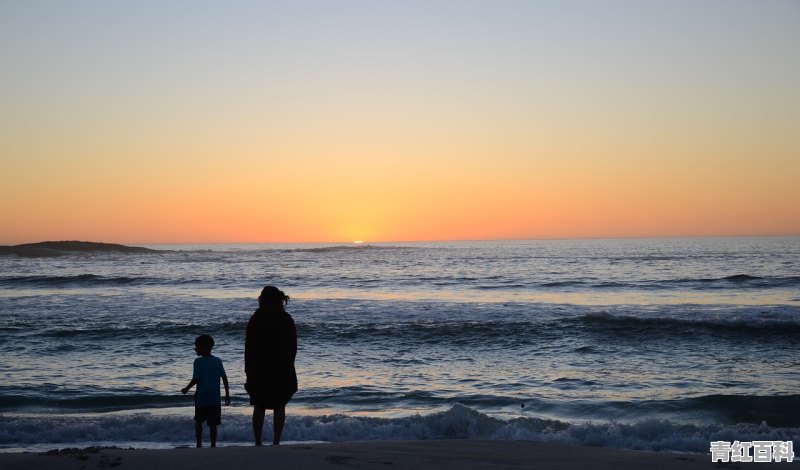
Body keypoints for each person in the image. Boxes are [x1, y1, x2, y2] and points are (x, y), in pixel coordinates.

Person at [245, 285, 297, 446]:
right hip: (282, 366)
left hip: (259, 367)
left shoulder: (257, 317)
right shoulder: (285, 318)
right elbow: (293, 345)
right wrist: (289, 363)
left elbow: (249, 345)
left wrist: (248, 368)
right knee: (279, 405)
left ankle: (258, 441)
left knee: (259, 404)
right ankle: (276, 441)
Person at [181, 334, 231, 448]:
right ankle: (213, 445)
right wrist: (227, 394)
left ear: (204, 347)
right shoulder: (218, 361)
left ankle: (199, 444)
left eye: (197, 347)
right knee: (213, 424)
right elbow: (224, 378)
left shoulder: (198, 362)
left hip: (201, 398)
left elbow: (196, 379)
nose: (195, 349)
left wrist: (186, 389)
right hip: (214, 398)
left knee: (199, 421)